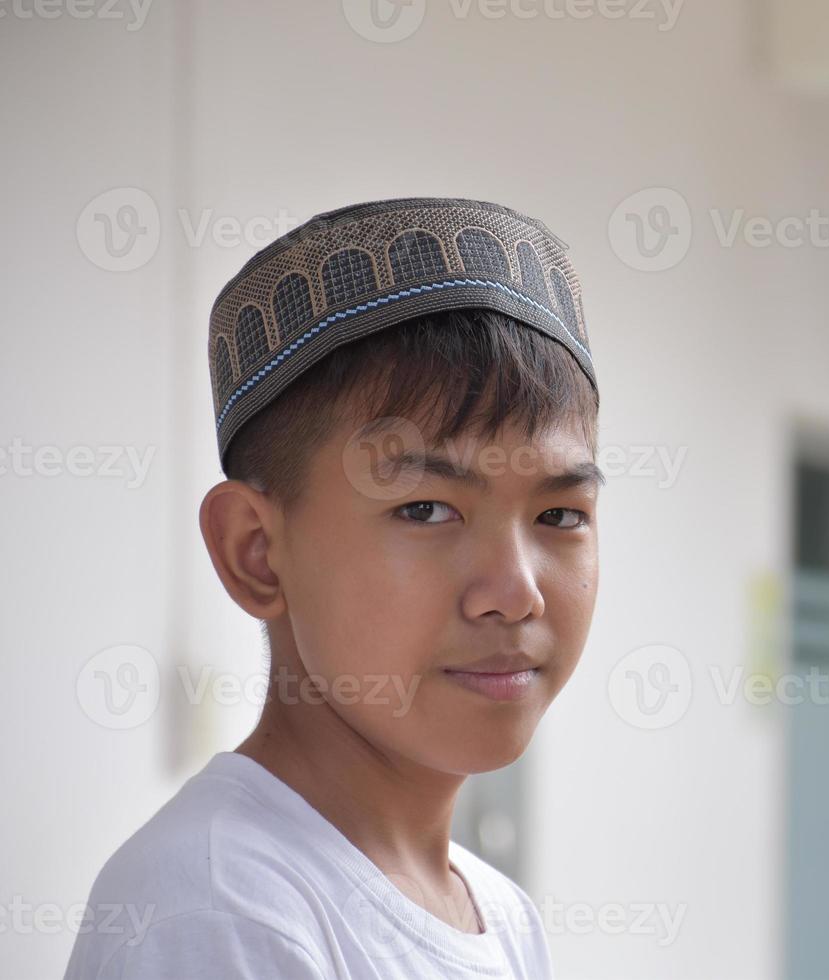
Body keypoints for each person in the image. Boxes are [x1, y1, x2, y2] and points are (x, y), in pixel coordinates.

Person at [64, 197, 602, 979]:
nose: (515, 593)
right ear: (258, 553)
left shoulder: (501, 917)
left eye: (560, 513)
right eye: (425, 508)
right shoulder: (221, 909)